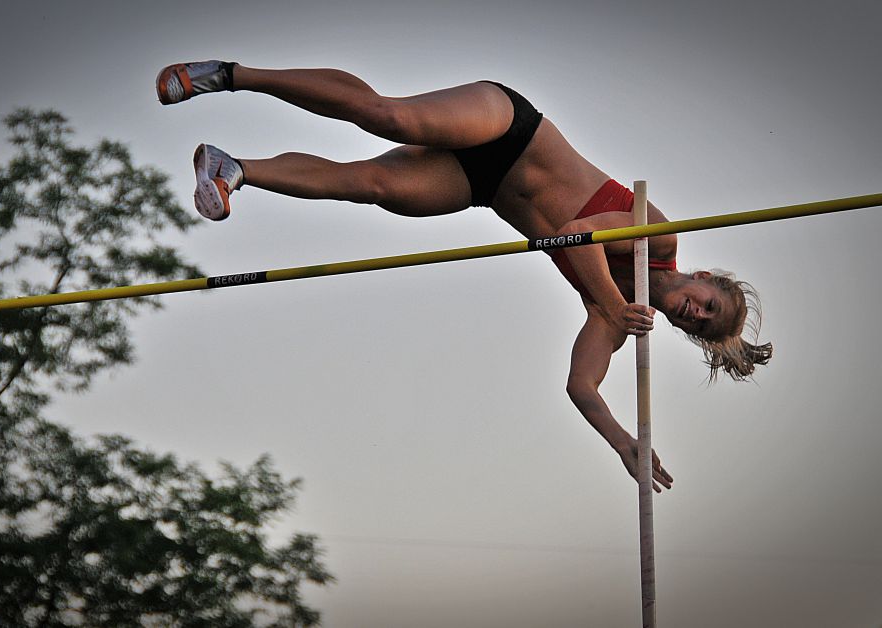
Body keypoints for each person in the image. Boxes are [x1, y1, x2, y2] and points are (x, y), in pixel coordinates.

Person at [156, 61, 773, 492]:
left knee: (368, 185)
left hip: (483, 187)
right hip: (511, 128)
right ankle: (229, 76)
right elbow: (584, 236)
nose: (696, 312)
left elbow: (581, 386)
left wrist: (623, 443)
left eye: (702, 323)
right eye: (709, 302)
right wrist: (611, 308)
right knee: (391, 116)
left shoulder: (615, 315)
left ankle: (236, 168)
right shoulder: (658, 237)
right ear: (704, 276)